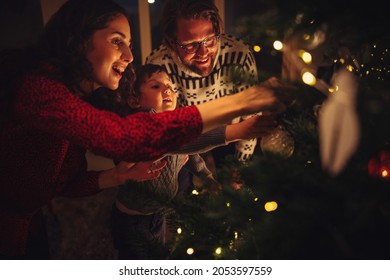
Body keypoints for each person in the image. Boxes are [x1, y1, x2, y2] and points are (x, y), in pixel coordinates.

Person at [0, 0, 283, 259]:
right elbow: (127, 136)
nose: (129, 55)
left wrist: (116, 175)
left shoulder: (81, 99)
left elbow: (63, 182)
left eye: (129, 44)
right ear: (79, 39)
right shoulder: (39, 89)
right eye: (116, 41)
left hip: (33, 216)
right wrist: (240, 106)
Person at [93, 64, 276, 259]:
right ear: (134, 100)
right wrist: (236, 131)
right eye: (155, 86)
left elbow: (190, 155)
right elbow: (185, 141)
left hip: (157, 213)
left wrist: (207, 177)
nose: (167, 90)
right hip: (134, 220)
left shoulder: (172, 124)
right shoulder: (143, 126)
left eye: (170, 86)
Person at [146, 0, 264, 194]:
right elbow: (165, 134)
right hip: (183, 138)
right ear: (171, 41)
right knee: (178, 192)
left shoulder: (239, 56)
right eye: (190, 45)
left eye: (210, 39)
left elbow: (250, 119)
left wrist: (239, 168)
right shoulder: (158, 66)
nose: (203, 53)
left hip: (232, 132)